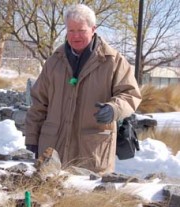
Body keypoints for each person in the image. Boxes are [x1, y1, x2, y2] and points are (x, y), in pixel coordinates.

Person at [25, 4, 141, 174]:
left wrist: (114, 108)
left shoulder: (113, 61)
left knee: (87, 200)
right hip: (53, 149)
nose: (75, 36)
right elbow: (38, 103)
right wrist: (32, 138)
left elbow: (130, 94)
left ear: (93, 29)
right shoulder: (54, 61)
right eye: (71, 30)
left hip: (92, 153)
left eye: (81, 30)